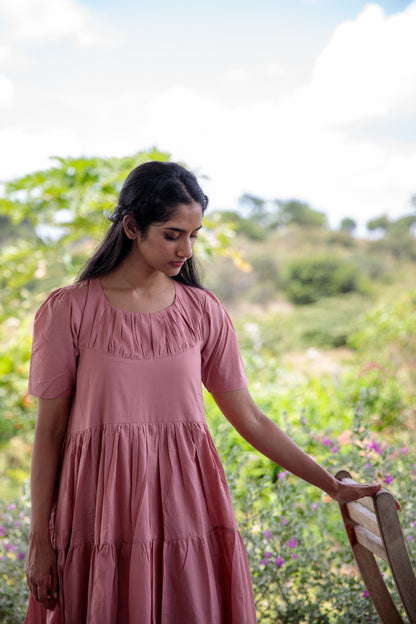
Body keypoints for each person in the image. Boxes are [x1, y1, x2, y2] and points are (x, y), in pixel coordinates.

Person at [25, 160, 381, 624]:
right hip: (100, 510)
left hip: (186, 505)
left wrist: (330, 487)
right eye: (172, 234)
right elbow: (49, 434)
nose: (185, 250)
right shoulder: (69, 311)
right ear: (131, 227)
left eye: (194, 235)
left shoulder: (203, 311)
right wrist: (40, 540)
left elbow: (250, 420)